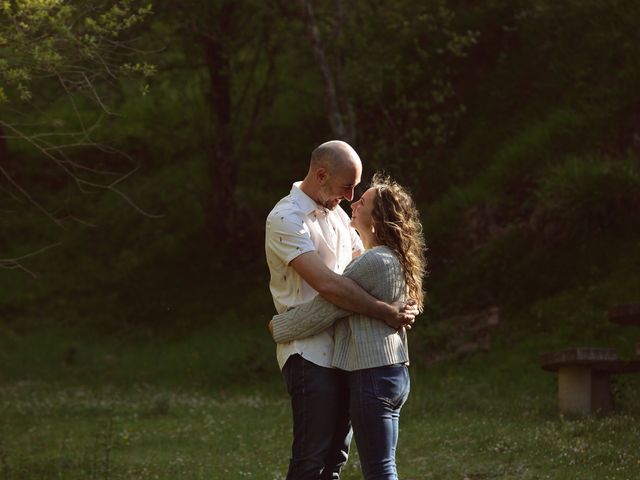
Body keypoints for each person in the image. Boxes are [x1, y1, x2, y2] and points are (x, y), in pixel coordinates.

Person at [265, 141, 418, 480]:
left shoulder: (337, 217)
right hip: (308, 351)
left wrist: (400, 297)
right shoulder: (286, 218)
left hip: (347, 355)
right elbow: (331, 286)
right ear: (320, 174)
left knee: (335, 459)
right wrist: (385, 311)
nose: (350, 198)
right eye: (347, 187)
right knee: (311, 458)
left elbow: (360, 273)